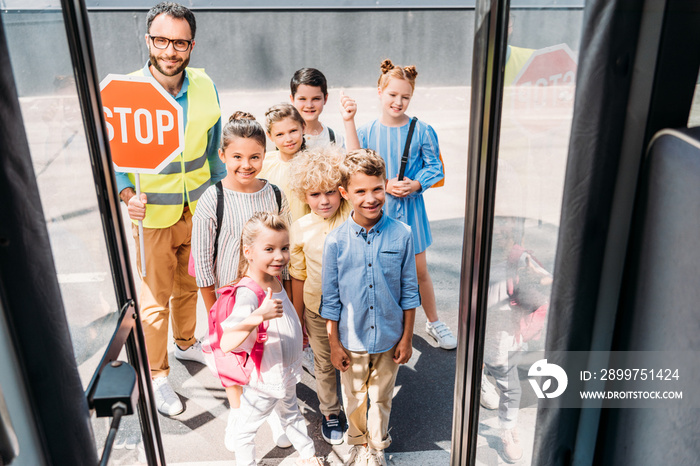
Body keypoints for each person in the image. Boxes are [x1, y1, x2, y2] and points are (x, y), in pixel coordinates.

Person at [115, 1, 226, 416]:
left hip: (198, 208)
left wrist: (219, 200)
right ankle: (157, 376)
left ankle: (185, 345)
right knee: (154, 301)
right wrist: (128, 197)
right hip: (153, 217)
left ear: (191, 45)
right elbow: (113, 159)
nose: (169, 51)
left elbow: (214, 154)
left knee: (190, 286)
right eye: (161, 40)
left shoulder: (205, 86)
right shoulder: (126, 92)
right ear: (148, 40)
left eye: (179, 42)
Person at [190, 111, 293, 448]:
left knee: (270, 357)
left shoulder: (275, 195)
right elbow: (204, 264)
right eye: (237, 157)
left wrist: (286, 298)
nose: (246, 164)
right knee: (232, 363)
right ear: (223, 156)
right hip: (229, 303)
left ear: (265, 155)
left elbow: (284, 250)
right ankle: (238, 415)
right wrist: (215, 316)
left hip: (269, 299)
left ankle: (276, 415)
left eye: (254, 157)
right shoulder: (212, 199)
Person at [349, 59, 457, 350]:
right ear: (380, 92)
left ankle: (434, 322)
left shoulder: (422, 130)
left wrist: (417, 184)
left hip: (412, 212)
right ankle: (386, 324)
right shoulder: (368, 131)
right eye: (393, 94)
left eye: (405, 96)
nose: (399, 101)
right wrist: (383, 186)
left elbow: (436, 167)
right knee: (379, 270)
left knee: (420, 272)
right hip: (378, 213)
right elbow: (357, 168)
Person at [322, 149, 419, 466]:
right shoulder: (335, 241)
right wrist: (334, 344)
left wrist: (406, 338)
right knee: (354, 397)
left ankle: (377, 448)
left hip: (390, 337)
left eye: (377, 188)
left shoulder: (402, 235)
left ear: (386, 185)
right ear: (344, 193)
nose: (370, 197)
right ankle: (356, 440)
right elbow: (331, 299)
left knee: (381, 397)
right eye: (360, 191)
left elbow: (409, 290)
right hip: (351, 340)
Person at [219, 212, 323, 466]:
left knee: (290, 412)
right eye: (269, 249)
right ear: (248, 252)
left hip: (283, 370)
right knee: (245, 430)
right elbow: (226, 342)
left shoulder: (272, 279)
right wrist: (257, 315)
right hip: (265, 379)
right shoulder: (248, 292)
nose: (279, 256)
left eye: (284, 248)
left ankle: (308, 455)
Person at [288, 145, 352, 445]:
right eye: (315, 194)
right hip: (316, 310)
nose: (324, 200)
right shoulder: (300, 229)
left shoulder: (353, 217)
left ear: (342, 191)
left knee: (354, 360)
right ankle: (330, 412)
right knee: (324, 365)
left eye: (330, 192)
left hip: (355, 310)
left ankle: (357, 410)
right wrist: (296, 316)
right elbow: (298, 275)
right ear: (304, 196)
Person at [258, 103, 310, 222]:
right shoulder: (264, 164)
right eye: (280, 134)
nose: (288, 139)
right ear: (270, 136)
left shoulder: (314, 163)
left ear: (303, 127)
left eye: (293, 131)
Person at [289, 67, 359, 150]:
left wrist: (349, 120)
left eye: (316, 99)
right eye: (302, 99)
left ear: (325, 99)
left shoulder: (334, 139)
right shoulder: (281, 135)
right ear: (292, 99)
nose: (309, 105)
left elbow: (355, 160)